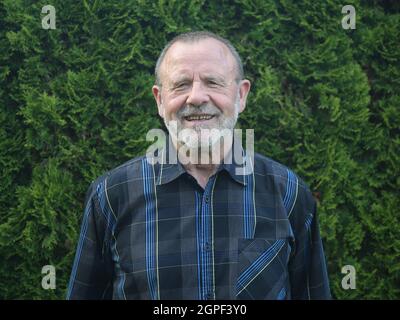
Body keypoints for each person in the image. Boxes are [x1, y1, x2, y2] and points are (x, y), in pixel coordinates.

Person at [67, 31, 331, 300]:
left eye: (213, 82)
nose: (195, 97)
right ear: (159, 100)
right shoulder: (111, 195)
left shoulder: (288, 192)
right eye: (181, 84)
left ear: (241, 95)